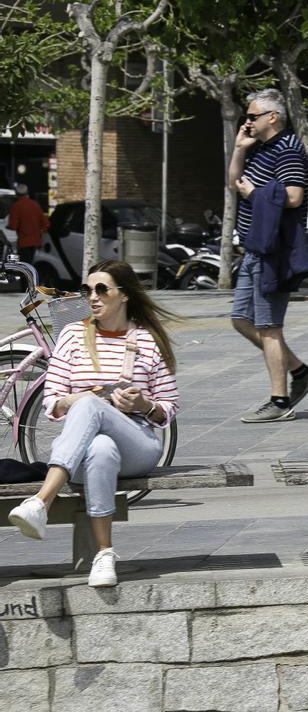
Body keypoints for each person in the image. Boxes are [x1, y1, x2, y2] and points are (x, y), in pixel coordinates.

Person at [7, 260, 180, 587]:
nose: (93, 297)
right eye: (87, 290)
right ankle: (104, 554)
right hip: (84, 451)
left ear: (124, 295)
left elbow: (168, 408)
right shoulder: (72, 335)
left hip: (138, 443)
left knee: (90, 408)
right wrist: (82, 398)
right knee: (100, 447)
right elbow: (52, 403)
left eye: (102, 289)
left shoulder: (146, 340)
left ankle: (41, 503)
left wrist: (143, 404)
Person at [227, 89, 308, 424]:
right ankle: (300, 371)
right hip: (254, 248)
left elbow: (294, 197)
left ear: (273, 117)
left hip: (274, 252)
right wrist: (239, 149)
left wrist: (255, 194)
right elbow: (233, 181)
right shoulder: (260, 148)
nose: (247, 121)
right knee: (241, 319)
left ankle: (280, 402)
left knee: (268, 327)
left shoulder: (290, 149)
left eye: (252, 116)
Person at [7, 183, 48, 263]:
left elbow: (13, 226)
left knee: (24, 265)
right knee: (31, 263)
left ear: (16, 194)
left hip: (24, 242)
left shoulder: (16, 206)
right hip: (36, 241)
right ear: (27, 193)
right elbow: (45, 223)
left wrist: (8, 227)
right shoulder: (35, 205)